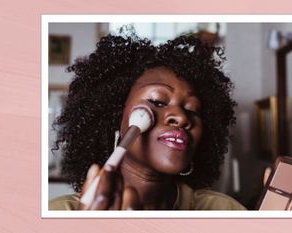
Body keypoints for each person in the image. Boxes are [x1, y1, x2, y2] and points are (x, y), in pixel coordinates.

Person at [49, 31, 246, 210]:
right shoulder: (59, 214)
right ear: (115, 116)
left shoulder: (225, 210)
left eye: (193, 110)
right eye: (157, 101)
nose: (182, 117)